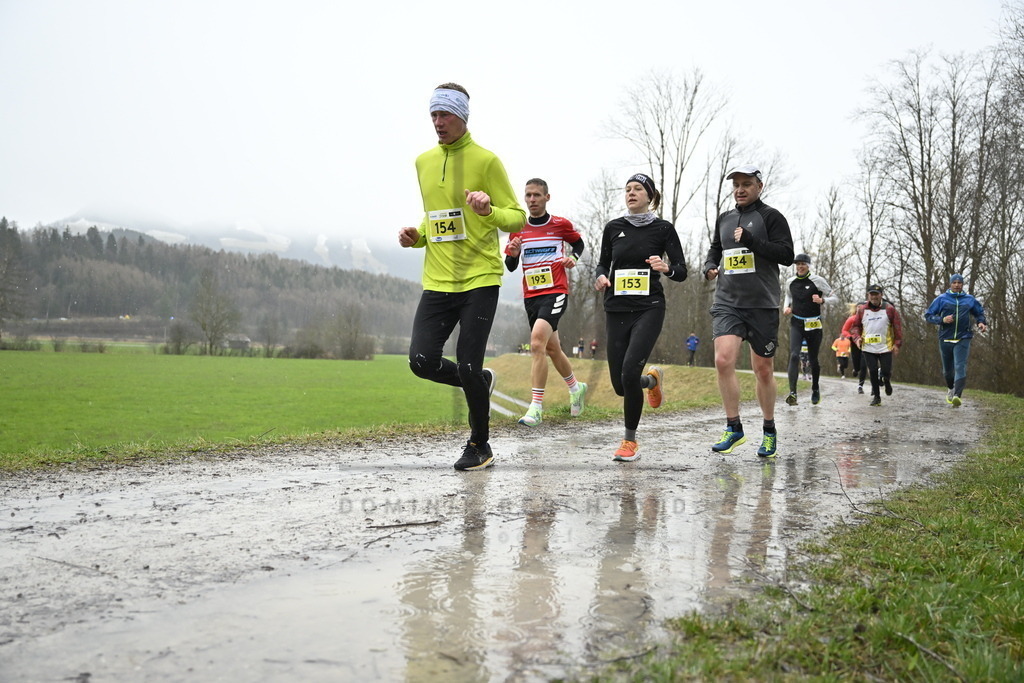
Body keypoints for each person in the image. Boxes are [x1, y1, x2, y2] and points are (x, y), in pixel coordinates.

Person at [398, 83, 525, 471]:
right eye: (434, 115)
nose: (438, 122)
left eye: (446, 115)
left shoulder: (486, 161)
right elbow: (435, 218)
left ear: (463, 117)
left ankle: (479, 444)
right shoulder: (422, 162)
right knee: (421, 360)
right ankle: (480, 383)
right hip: (438, 280)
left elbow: (517, 216)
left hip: (479, 279)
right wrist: (417, 236)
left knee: (467, 364)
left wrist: (489, 211)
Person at [702, 165, 794, 458]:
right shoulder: (725, 219)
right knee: (723, 359)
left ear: (759, 186)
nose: (740, 190)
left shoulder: (771, 217)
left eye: (746, 184)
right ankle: (734, 427)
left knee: (763, 370)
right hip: (728, 301)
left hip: (762, 304)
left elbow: (787, 255)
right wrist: (709, 266)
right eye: (736, 185)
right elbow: (715, 249)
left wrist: (753, 241)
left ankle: (769, 430)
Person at [594, 173, 687, 462]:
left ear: (650, 196)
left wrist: (666, 267)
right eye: (627, 189)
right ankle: (652, 381)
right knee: (622, 385)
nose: (631, 193)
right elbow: (602, 263)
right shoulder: (613, 228)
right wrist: (599, 276)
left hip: (649, 308)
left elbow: (682, 270)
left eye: (638, 189)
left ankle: (629, 441)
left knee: (628, 372)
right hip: (617, 309)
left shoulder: (663, 229)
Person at [504, 178, 587, 427]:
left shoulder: (560, 225)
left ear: (547, 197)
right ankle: (576, 387)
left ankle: (536, 408)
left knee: (537, 342)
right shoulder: (518, 228)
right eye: (528, 195)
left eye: (537, 195)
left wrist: (572, 258)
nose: (532, 200)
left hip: (556, 291)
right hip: (532, 296)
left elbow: (579, 244)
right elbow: (509, 266)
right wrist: (514, 253)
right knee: (552, 349)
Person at [783, 253, 839, 406]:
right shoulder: (790, 282)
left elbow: (836, 298)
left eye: (803, 264)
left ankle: (815, 388)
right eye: (798, 264)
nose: (800, 266)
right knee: (794, 355)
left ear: (808, 265)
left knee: (813, 360)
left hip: (814, 324)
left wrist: (822, 300)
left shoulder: (818, 281)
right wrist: (786, 307)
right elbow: (788, 297)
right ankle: (793, 393)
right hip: (797, 323)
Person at [924, 273, 988, 407]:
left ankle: (957, 395)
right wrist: (942, 320)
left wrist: (981, 323)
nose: (957, 285)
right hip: (945, 338)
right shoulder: (941, 299)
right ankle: (950, 389)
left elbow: (979, 312)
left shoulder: (969, 299)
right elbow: (928, 315)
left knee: (960, 366)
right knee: (947, 371)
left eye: (960, 283)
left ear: (962, 285)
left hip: (963, 337)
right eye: (954, 282)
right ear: (950, 284)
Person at [849, 284, 903, 406]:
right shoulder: (862, 310)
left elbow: (897, 327)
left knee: (886, 371)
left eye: (876, 295)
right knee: (872, 370)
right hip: (868, 347)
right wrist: (857, 339)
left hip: (885, 346)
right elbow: (855, 327)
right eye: (872, 294)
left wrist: (897, 344)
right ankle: (877, 397)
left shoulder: (889, 309)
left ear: (881, 295)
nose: (874, 297)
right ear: (868, 296)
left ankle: (887, 381)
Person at [841, 310, 868, 392]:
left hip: (866, 344)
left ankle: (860, 386)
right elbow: (844, 330)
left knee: (864, 365)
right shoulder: (852, 319)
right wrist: (849, 336)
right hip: (854, 343)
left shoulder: (869, 318)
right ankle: (856, 369)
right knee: (857, 364)